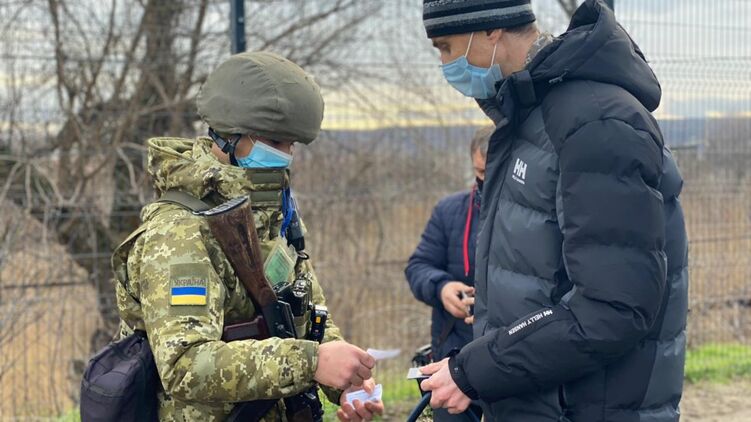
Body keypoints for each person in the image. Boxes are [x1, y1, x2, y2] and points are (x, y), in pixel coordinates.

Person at [417, 1, 689, 421]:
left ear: (490, 30)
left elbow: (613, 307)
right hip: (537, 402)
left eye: (446, 47)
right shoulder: (528, 119)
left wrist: (478, 369)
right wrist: (479, 372)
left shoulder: (594, 123)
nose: (444, 64)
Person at [112, 51, 384, 422]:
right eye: (274, 142)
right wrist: (310, 362)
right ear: (228, 137)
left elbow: (306, 311)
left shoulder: (272, 213)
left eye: (291, 145)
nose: (285, 156)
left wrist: (345, 381)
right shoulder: (179, 232)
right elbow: (185, 364)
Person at [405, 125, 493, 420]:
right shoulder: (449, 211)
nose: (486, 180)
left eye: (493, 172)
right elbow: (418, 267)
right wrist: (442, 288)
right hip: (453, 356)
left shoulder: (531, 214)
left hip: (507, 357)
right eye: (479, 172)